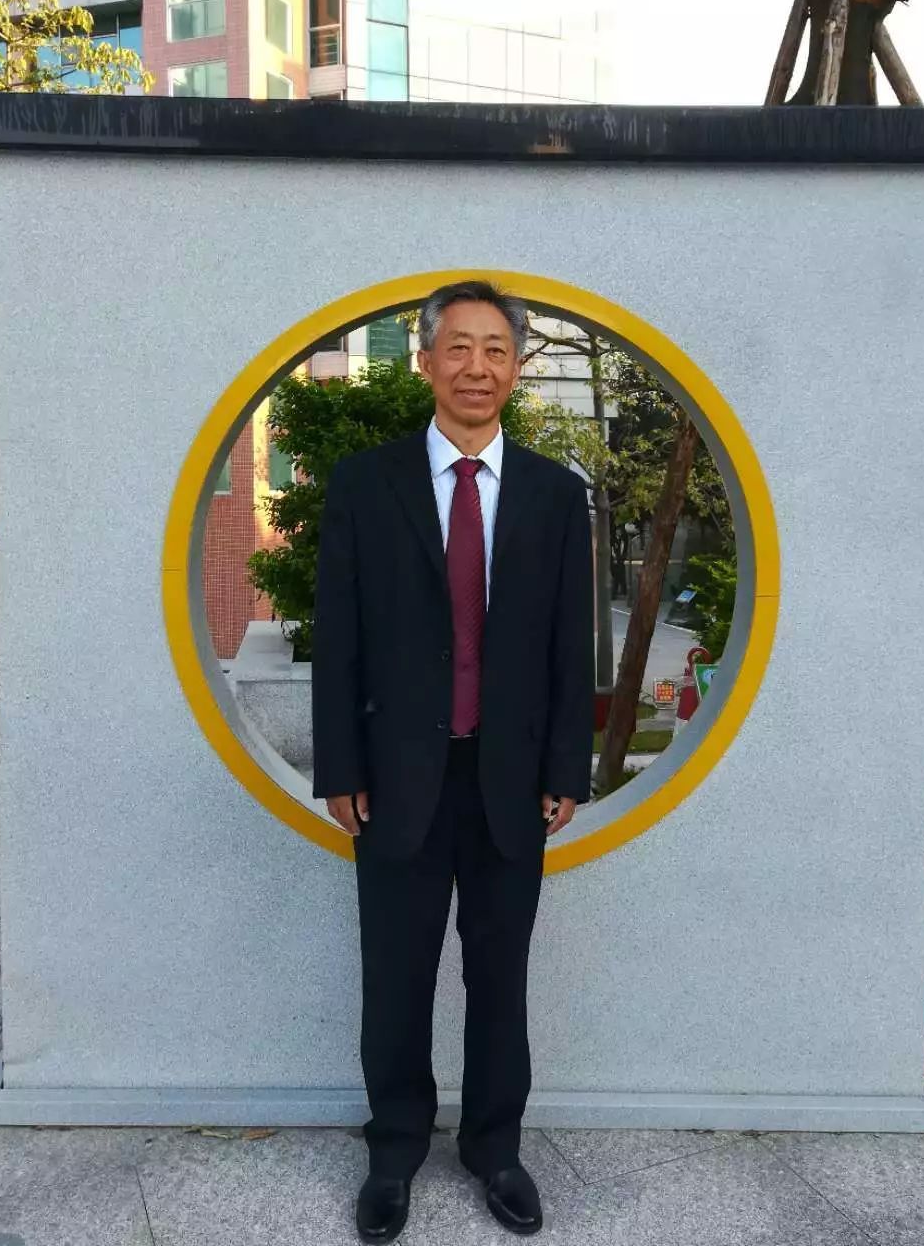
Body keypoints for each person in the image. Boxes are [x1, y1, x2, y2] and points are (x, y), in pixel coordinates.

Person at [312, 280, 594, 1241]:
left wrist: (566, 768)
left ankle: (494, 1150)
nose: (478, 367)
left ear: (516, 369)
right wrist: (341, 766)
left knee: (499, 981)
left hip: (510, 782)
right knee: (395, 977)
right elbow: (339, 637)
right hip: (395, 781)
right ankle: (393, 1151)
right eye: (459, 348)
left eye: (497, 350)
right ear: (427, 360)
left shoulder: (556, 495)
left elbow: (570, 647)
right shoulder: (365, 484)